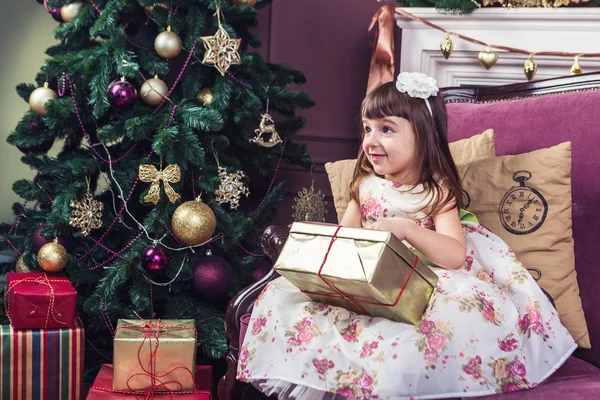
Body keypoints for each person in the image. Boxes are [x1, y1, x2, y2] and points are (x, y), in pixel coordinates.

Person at [237, 72, 575, 399]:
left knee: (435, 325)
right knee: (286, 300)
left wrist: (406, 229)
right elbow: (346, 239)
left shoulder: (436, 191)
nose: (371, 141)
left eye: (386, 130)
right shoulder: (364, 185)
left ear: (422, 136)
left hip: (428, 278)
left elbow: (455, 255)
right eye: (367, 129)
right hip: (371, 278)